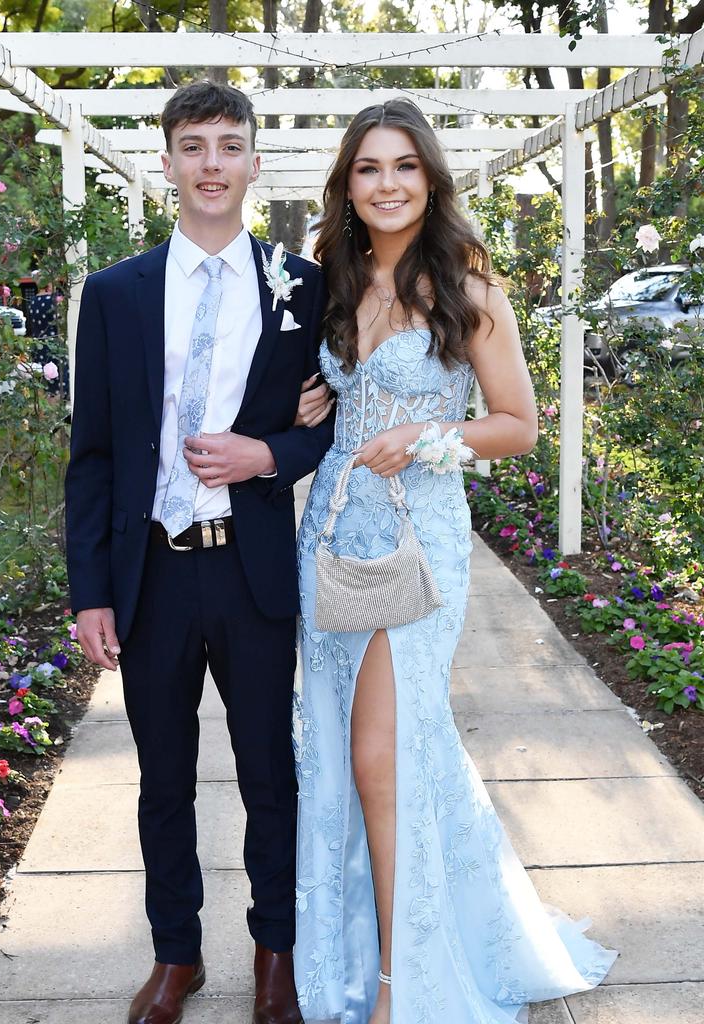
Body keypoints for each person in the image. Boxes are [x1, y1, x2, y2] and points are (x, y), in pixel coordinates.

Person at [293, 99, 617, 1024]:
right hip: (328, 540)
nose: (386, 184)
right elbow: (326, 401)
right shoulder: (331, 278)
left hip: (418, 547)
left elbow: (519, 424)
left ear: (430, 178)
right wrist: (315, 405)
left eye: (404, 166)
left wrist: (429, 436)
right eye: (368, 168)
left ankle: (404, 979)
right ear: (347, 185)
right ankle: (363, 946)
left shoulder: (467, 289)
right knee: (353, 753)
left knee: (378, 753)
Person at [65, 81, 333, 1024]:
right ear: (168, 162)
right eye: (193, 145)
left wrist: (272, 452)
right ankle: (176, 956)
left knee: (271, 773)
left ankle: (276, 955)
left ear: (256, 162)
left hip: (253, 568)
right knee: (163, 777)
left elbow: (333, 423)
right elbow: (92, 454)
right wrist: (89, 590)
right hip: (152, 576)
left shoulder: (306, 288)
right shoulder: (115, 294)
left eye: (229, 144)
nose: (212, 163)